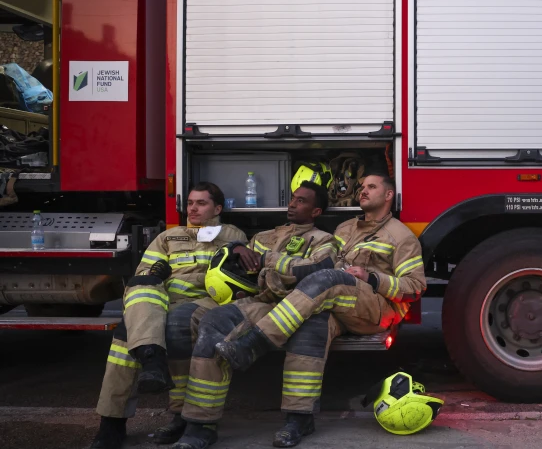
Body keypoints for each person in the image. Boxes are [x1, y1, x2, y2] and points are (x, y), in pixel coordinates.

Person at [199, 173, 425, 448]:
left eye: (371, 187)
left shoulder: (401, 237)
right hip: (334, 301)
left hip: (374, 308)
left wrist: (371, 278)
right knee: (310, 324)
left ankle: (255, 344)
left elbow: (414, 288)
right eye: (362, 187)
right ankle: (298, 419)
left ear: (389, 195)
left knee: (327, 279)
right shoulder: (344, 229)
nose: (362, 191)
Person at [171, 181, 337, 449]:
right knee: (214, 323)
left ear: (316, 212)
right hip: (258, 301)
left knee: (309, 332)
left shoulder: (322, 240)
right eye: (292, 198)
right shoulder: (264, 235)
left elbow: (317, 269)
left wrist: (266, 261)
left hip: (299, 304)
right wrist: (235, 249)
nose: (293, 204)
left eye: (302, 201)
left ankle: (299, 419)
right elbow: (236, 261)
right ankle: (201, 424)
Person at [90, 183, 246, 449]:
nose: (193, 208)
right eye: (190, 203)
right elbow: (142, 274)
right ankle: (112, 422)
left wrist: (237, 249)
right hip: (161, 300)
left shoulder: (231, 234)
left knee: (172, 325)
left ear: (217, 208)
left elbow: (236, 275)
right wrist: (155, 273)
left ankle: (179, 414)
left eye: (201, 203)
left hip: (203, 300)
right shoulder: (167, 237)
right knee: (125, 333)